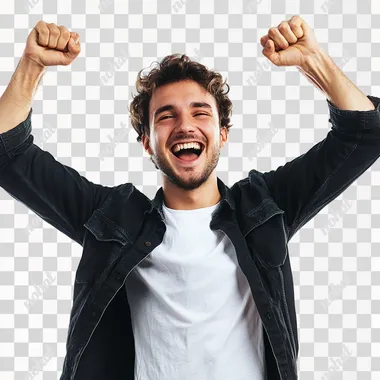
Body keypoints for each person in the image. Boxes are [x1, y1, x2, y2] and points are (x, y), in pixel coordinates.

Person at [0, 15, 378, 380]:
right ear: (148, 142)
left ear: (222, 133)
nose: (185, 125)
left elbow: (364, 136)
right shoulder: (113, 218)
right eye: (166, 116)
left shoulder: (264, 207)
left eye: (200, 112)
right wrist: (32, 65)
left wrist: (314, 61)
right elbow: (7, 156)